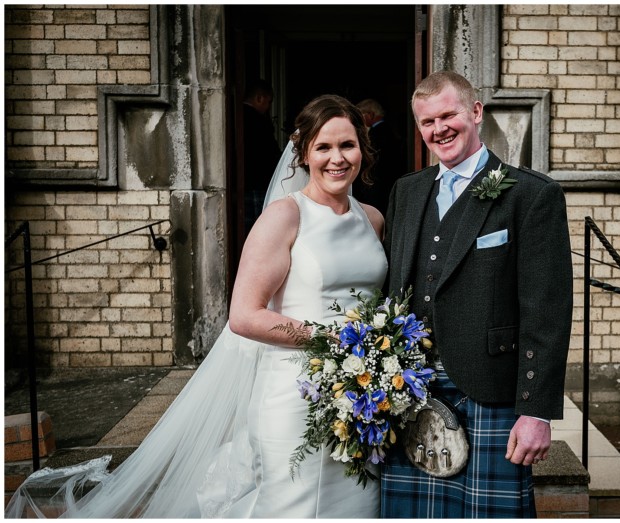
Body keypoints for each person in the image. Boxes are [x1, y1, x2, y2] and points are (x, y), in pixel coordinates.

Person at [6, 95, 386, 519]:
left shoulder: (371, 218)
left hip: (362, 397)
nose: (337, 158)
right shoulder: (284, 217)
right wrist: (331, 339)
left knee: (358, 504)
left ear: (363, 148)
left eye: (347, 145)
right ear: (303, 154)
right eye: (323, 147)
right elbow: (244, 316)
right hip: (294, 396)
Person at [380, 70, 573, 518]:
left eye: (448, 115)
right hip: (411, 387)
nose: (439, 129)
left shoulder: (530, 194)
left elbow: (547, 310)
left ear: (476, 112)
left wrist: (537, 411)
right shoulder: (406, 191)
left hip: (491, 387)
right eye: (427, 122)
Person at [352, 98, 406, 215]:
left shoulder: (375, 134)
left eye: (361, 115)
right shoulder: (388, 131)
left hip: (376, 185)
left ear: (370, 115)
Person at [242, 80, 282, 234]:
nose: (268, 107)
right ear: (260, 98)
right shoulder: (258, 120)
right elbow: (269, 153)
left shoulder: (233, 116)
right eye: (269, 101)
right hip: (258, 182)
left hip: (242, 182)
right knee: (259, 228)